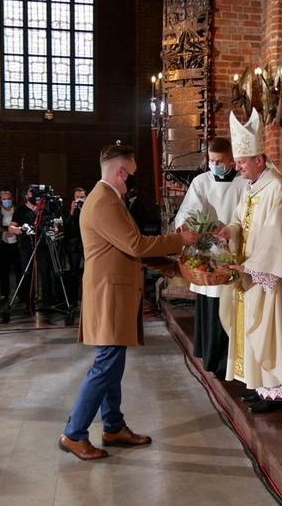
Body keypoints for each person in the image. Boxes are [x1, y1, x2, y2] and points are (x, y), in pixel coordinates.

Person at [59, 143, 199, 460]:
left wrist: (175, 267)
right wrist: (182, 240)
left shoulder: (109, 199)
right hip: (109, 295)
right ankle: (73, 433)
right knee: (106, 366)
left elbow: (128, 249)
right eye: (132, 175)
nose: (132, 181)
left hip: (114, 293)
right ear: (121, 171)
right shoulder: (103, 201)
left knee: (112, 366)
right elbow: (136, 244)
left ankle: (113, 427)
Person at [216, 109, 282, 414]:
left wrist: (251, 266)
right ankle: (262, 388)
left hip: (270, 276)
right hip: (249, 273)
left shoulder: (278, 189)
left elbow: (279, 237)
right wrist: (228, 230)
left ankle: (280, 392)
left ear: (259, 160)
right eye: (237, 162)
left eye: (242, 162)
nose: (237, 167)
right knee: (253, 330)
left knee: (272, 330)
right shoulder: (252, 188)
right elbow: (239, 221)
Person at [174, 137, 247, 378]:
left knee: (231, 307)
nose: (214, 164)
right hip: (207, 253)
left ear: (230, 160)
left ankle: (230, 361)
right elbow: (190, 209)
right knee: (211, 303)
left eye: (219, 161)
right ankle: (211, 357)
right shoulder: (201, 181)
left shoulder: (244, 183)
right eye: (211, 160)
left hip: (234, 250)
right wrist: (185, 225)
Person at [8, 186, 55, 308]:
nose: (34, 196)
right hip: (26, 247)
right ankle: (29, 303)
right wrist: (19, 230)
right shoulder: (20, 211)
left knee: (45, 273)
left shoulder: (44, 210)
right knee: (27, 274)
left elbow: (54, 226)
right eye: (32, 193)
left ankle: (47, 302)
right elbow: (11, 227)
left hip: (42, 246)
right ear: (26, 196)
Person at [0, 191, 22, 302]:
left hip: (17, 244)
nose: (6, 201)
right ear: (0, 200)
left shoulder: (18, 211)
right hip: (3, 243)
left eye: (8, 198)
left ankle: (21, 293)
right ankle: (4, 293)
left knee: (19, 270)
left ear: (12, 199)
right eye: (4, 199)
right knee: (4, 271)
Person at [63, 187, 87, 306]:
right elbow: (66, 224)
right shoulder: (70, 211)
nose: (79, 200)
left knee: (89, 269)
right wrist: (72, 210)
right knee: (74, 271)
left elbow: (89, 222)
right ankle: (72, 299)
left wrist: (83, 209)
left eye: (82, 197)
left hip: (86, 244)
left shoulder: (89, 210)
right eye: (77, 197)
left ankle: (87, 296)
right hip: (74, 245)